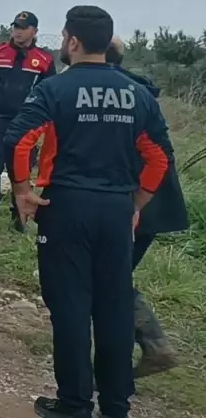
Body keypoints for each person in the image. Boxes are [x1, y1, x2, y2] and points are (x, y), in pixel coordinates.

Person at [5, 6, 172, 418]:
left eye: (64, 37)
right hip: (116, 211)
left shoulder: (54, 90)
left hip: (66, 208)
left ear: (73, 41)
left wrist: (23, 191)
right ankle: (116, 406)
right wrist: (135, 204)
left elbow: (18, 141)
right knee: (114, 308)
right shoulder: (137, 93)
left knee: (70, 308)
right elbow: (159, 158)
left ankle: (75, 404)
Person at [105, 36, 186, 378]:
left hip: (134, 203)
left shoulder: (115, 97)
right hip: (151, 201)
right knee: (113, 275)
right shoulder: (139, 91)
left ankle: (150, 346)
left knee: (111, 277)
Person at [0, 11, 55, 235]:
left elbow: (51, 94)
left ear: (34, 31)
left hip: (26, 123)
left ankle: (20, 218)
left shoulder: (45, 60)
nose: (18, 31)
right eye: (15, 26)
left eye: (23, 27)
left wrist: (48, 123)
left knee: (20, 171)